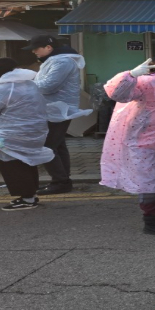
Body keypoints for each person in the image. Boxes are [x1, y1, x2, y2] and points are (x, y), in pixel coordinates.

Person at [101, 42, 155, 237]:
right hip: (142, 140)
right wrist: (131, 75)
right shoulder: (145, 82)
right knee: (148, 180)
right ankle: (151, 220)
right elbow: (116, 93)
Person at [0, 58, 55, 211]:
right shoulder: (29, 84)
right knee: (25, 161)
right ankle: (30, 195)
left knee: (10, 162)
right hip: (32, 133)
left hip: (7, 137)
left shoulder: (1, 89)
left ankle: (26, 199)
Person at [25, 34, 90, 195]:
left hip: (57, 109)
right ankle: (63, 180)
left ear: (48, 47)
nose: (33, 52)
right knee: (58, 145)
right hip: (54, 109)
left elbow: (48, 86)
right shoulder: (56, 60)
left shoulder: (62, 62)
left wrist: (24, 83)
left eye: (36, 48)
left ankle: (60, 182)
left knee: (47, 146)